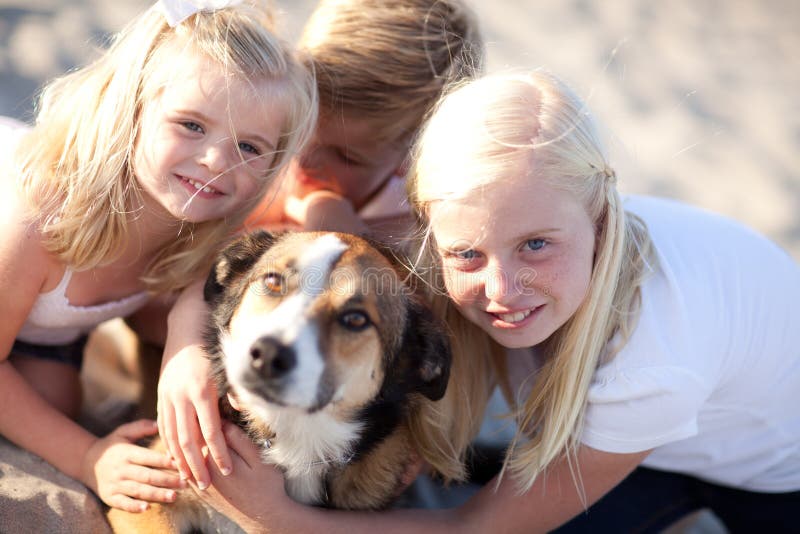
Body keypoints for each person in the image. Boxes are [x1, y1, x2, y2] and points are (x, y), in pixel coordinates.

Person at [187, 69, 800, 533]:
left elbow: (476, 527)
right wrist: (185, 358)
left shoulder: (656, 356)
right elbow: (246, 255)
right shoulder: (491, 216)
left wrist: (278, 518)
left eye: (536, 245)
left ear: (601, 219)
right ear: (433, 231)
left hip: (771, 480)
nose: (501, 291)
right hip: (656, 429)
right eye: (467, 257)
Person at [0, 0, 316, 514]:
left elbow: (175, 295)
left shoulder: (204, 217)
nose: (215, 161)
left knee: (56, 402)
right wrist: (87, 458)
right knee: (52, 427)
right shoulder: (38, 221)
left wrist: (184, 346)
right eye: (191, 125)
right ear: (132, 106)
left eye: (249, 147)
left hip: (45, 330)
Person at [157, 0, 484, 491]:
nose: (306, 159)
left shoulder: (426, 225)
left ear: (416, 151)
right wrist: (183, 350)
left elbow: (425, 336)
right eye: (304, 127)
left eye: (347, 154)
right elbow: (207, 270)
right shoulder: (270, 160)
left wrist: (349, 229)